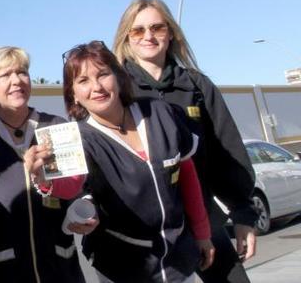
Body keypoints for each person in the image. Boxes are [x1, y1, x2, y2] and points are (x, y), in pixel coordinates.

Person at [38, 41, 213, 282]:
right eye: (83, 81)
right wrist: (42, 178)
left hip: (179, 260)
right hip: (122, 267)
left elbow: (187, 174)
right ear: (74, 96)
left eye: (103, 74)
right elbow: (71, 185)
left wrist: (203, 233)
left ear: (119, 78)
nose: (96, 87)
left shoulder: (160, 113)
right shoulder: (75, 137)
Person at [112, 0, 257, 282]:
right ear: (126, 37)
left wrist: (243, 211)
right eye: (138, 30)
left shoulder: (197, 86)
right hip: (150, 233)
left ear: (171, 33)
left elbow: (226, 152)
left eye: (157, 28)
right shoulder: (117, 91)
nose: (148, 36)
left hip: (205, 221)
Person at [0, 46, 84, 282]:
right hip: (0, 268)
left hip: (56, 265)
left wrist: (81, 208)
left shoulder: (55, 125)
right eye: (5, 75)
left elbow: (77, 188)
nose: (16, 81)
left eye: (22, 72)